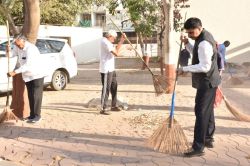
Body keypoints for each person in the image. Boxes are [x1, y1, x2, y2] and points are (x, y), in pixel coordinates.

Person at [178, 17, 221, 157]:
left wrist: (184, 69)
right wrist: (186, 43)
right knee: (207, 111)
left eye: (191, 32)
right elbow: (196, 53)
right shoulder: (202, 38)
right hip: (211, 80)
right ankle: (208, 138)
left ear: (199, 28)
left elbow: (204, 66)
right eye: (188, 33)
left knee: (201, 113)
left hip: (207, 81)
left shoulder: (203, 43)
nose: (190, 35)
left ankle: (198, 147)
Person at [7, 36, 45, 123]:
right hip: (28, 76)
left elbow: (28, 65)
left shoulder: (31, 49)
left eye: (19, 45)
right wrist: (8, 50)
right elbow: (10, 55)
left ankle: (37, 116)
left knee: (36, 96)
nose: (18, 47)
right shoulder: (18, 47)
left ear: (23, 41)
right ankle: (32, 115)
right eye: (16, 45)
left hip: (36, 75)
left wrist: (15, 72)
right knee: (31, 96)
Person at [99, 30, 125, 115]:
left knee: (114, 87)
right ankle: (103, 108)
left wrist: (121, 41)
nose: (114, 39)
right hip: (106, 69)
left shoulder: (108, 42)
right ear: (110, 36)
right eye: (114, 38)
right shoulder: (105, 42)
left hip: (111, 69)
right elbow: (116, 53)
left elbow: (115, 50)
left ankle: (113, 105)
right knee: (106, 88)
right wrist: (121, 41)